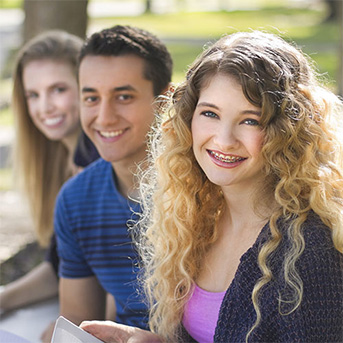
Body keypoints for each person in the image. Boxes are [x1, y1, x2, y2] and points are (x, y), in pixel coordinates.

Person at [80, 31, 343, 342]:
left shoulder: (310, 250)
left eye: (251, 120)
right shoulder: (198, 219)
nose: (223, 140)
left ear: (287, 130)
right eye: (210, 114)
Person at [53, 24, 173, 336]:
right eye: (91, 98)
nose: (104, 117)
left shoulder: (210, 190)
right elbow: (79, 329)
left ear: (164, 102)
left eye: (123, 96)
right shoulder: (76, 200)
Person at [0, 30, 99, 341]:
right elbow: (58, 266)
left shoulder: (97, 164)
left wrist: (66, 324)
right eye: (33, 95)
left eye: (58, 89)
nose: (45, 107)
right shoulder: (65, 160)